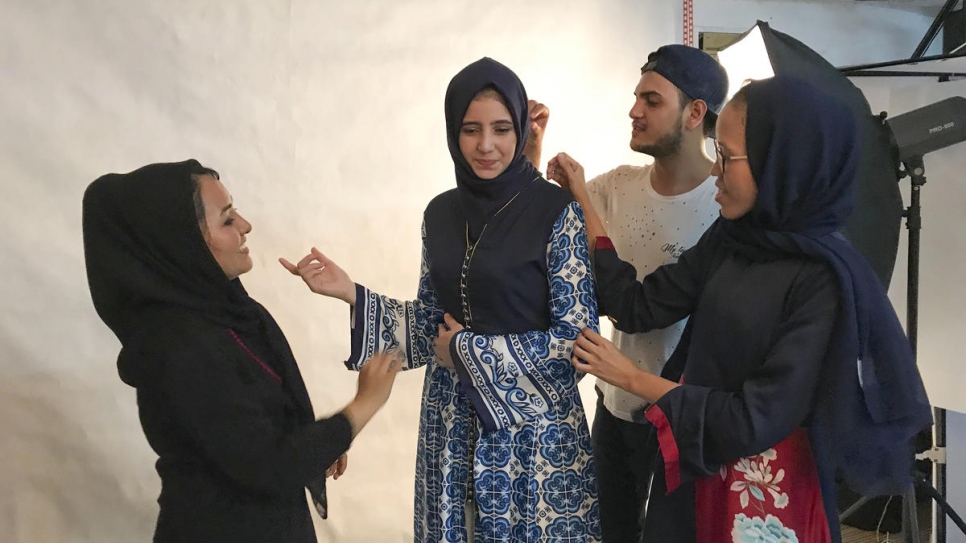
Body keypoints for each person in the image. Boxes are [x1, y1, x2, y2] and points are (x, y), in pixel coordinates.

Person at [554, 76, 933, 543]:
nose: (716, 170)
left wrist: (633, 379)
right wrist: (584, 204)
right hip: (698, 471)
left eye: (728, 157)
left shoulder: (821, 278)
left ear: (782, 163)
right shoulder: (733, 238)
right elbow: (639, 306)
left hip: (766, 500)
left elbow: (756, 419)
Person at [282, 58, 602, 542]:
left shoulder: (558, 213)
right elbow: (431, 321)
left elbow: (578, 342)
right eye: (471, 130)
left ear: (519, 127)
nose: (486, 145)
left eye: (501, 128)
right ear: (453, 130)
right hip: (450, 423)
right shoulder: (441, 214)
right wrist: (350, 292)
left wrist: (466, 351)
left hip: (535, 437)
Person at [82, 159, 400, 543]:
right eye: (228, 219)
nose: (246, 226)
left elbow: (253, 423)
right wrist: (363, 406)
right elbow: (271, 465)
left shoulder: (227, 316)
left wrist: (317, 442)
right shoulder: (181, 346)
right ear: (182, 242)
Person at [545, 44, 725, 543]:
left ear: (694, 113)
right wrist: (531, 150)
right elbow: (540, 219)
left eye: (652, 100)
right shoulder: (616, 186)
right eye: (635, 97)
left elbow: (637, 306)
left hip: (681, 412)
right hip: (615, 403)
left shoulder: (725, 205)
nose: (634, 110)